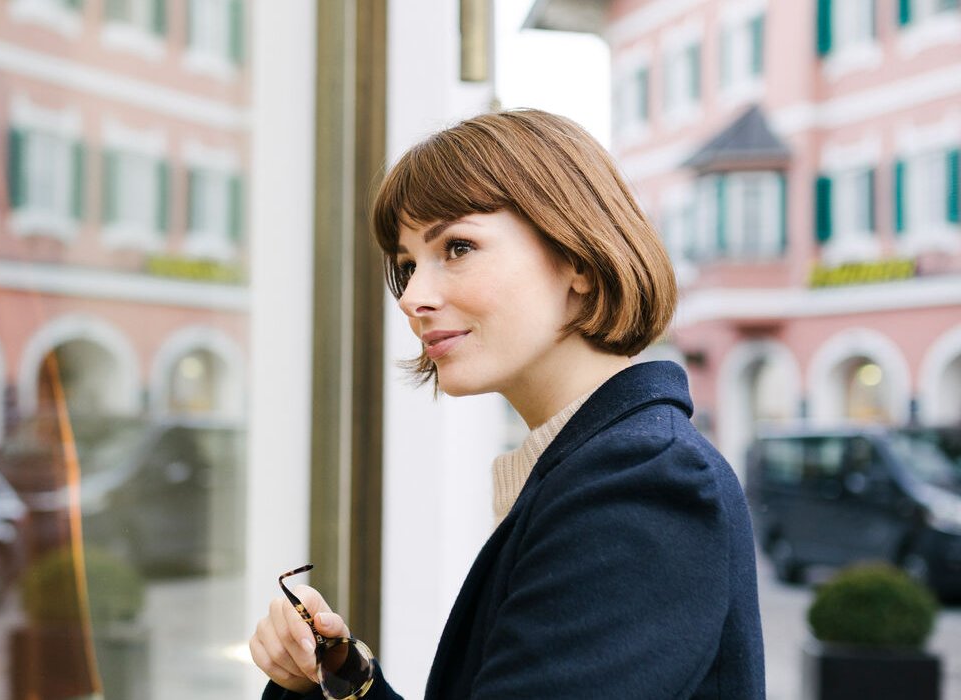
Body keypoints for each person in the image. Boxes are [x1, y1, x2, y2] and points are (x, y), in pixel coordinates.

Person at [249, 109, 765, 698]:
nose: (413, 296)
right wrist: (340, 677)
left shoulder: (642, 481)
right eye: (407, 265)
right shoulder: (596, 466)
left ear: (578, 258)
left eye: (459, 246)